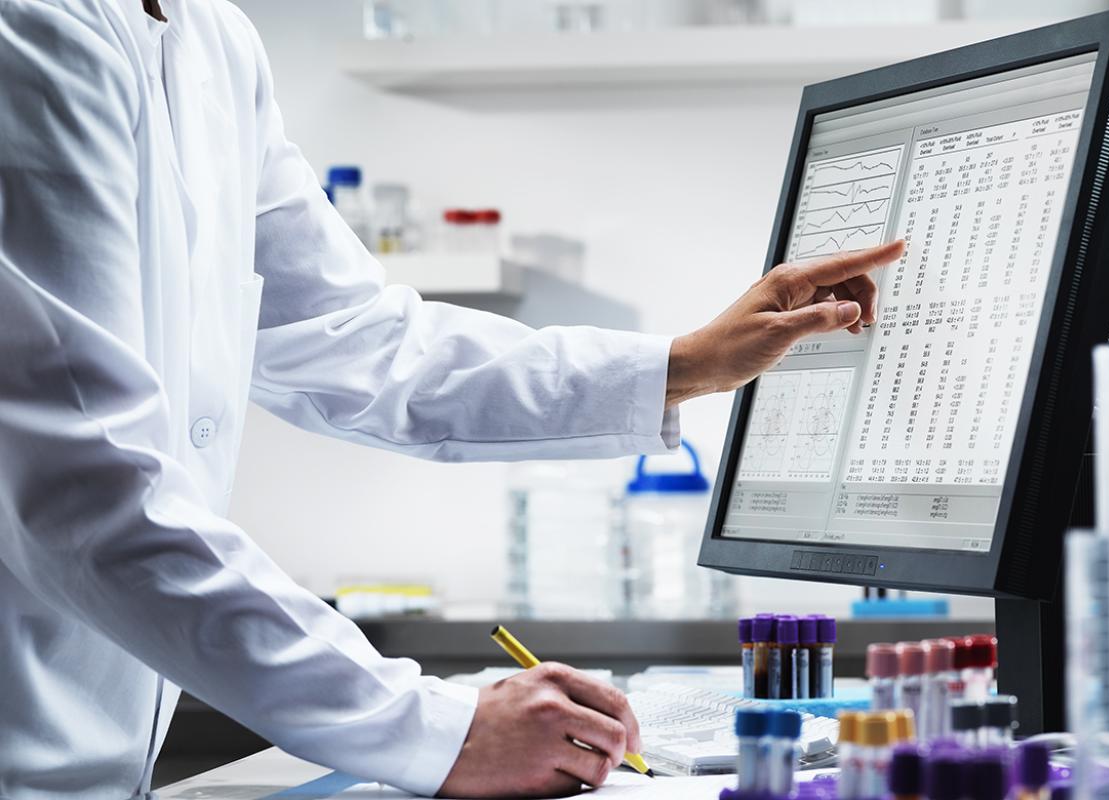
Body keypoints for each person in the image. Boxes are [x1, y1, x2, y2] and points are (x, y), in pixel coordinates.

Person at [0, 0, 904, 797]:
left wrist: (686, 364)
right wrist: (442, 729)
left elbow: (364, 339)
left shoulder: (215, 41)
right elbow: (84, 487)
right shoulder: (31, 29)